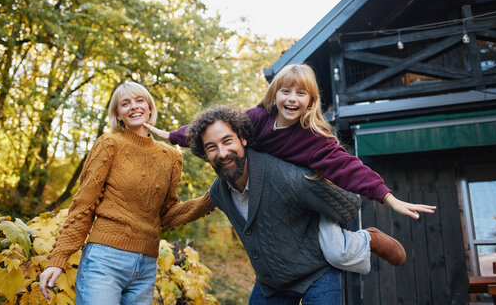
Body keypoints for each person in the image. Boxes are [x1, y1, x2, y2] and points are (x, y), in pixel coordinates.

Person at [145, 63, 436, 274]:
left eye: (301, 93)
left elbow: (350, 168)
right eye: (286, 91)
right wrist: (172, 135)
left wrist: (388, 197)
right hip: (279, 198)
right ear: (275, 94)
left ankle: (368, 237)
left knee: (336, 253)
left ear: (310, 101)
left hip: (314, 195)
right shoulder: (257, 120)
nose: (292, 99)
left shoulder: (315, 139)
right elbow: (216, 132)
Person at [39, 81, 215, 305]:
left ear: (149, 108)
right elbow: (84, 205)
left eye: (139, 100)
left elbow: (166, 214)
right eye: (125, 103)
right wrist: (59, 257)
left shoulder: (171, 157)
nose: (134, 107)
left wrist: (211, 199)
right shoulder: (109, 144)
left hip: (146, 268)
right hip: (104, 261)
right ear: (118, 115)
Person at [186, 105, 363, 303]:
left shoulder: (285, 177)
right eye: (212, 147)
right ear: (205, 154)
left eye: (227, 141)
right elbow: (192, 209)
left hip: (317, 272)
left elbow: (349, 205)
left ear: (243, 139)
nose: (222, 153)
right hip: (271, 284)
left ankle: (369, 238)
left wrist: (326, 233)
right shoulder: (219, 192)